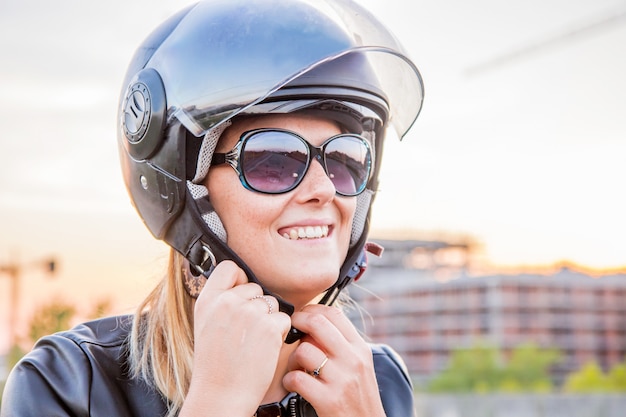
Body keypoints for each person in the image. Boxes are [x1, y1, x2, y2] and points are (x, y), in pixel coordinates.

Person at [1, 0, 424, 416]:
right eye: (274, 160)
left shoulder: (378, 379)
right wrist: (216, 404)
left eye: (345, 160)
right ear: (185, 189)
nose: (323, 189)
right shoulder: (72, 383)